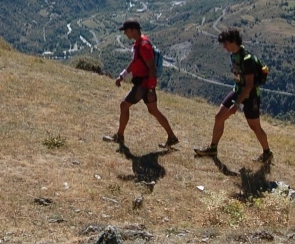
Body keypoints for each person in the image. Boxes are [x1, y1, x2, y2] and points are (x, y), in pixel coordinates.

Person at [194, 28, 273, 162]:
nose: (224, 46)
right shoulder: (234, 55)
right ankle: (213, 148)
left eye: (225, 43)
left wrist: (236, 105)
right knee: (219, 117)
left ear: (233, 42)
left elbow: (249, 85)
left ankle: (267, 153)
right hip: (238, 90)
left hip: (251, 95)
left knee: (255, 126)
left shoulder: (247, 59)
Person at [103, 20, 179, 148]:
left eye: (126, 30)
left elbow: (152, 68)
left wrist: (150, 89)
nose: (125, 33)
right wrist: (122, 76)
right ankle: (172, 137)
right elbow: (135, 63)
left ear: (133, 30)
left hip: (143, 85)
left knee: (124, 105)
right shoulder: (139, 44)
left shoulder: (143, 46)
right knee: (153, 110)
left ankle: (120, 137)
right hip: (146, 84)